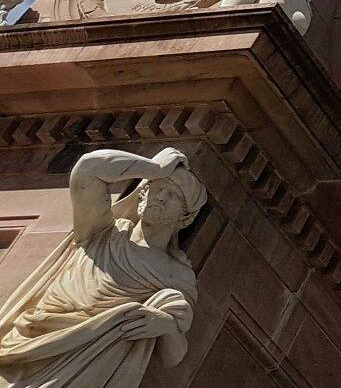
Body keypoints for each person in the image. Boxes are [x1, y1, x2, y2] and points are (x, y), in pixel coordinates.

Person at [0, 148, 207, 388]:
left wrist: (166, 326)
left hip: (86, 360)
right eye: (157, 188)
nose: (160, 197)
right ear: (141, 196)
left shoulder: (178, 275)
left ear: (186, 218)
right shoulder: (102, 232)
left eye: (173, 195)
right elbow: (88, 168)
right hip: (28, 342)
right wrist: (154, 169)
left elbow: (174, 356)